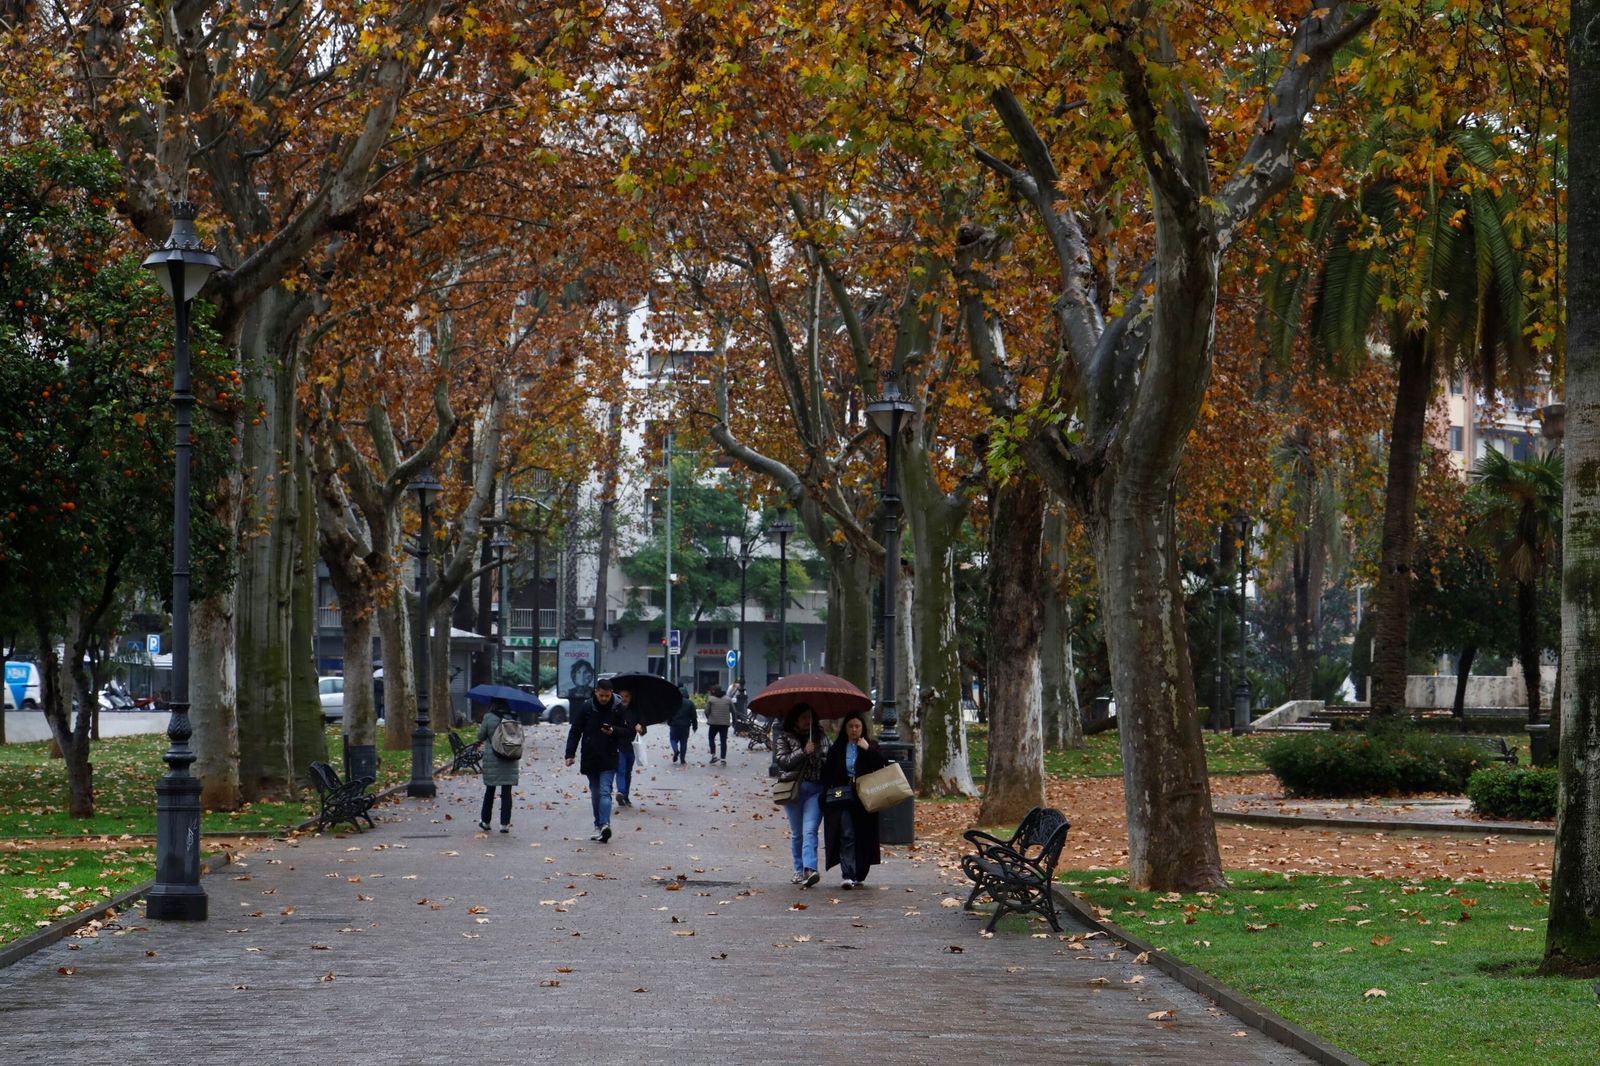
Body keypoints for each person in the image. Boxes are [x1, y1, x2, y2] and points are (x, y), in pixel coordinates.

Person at [819, 710, 887, 888]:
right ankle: (847, 873)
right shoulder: (838, 748)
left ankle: (860, 873)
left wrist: (867, 749)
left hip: (865, 797)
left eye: (857, 726)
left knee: (864, 834)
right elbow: (828, 773)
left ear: (863, 728)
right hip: (844, 797)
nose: (854, 730)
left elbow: (881, 765)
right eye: (850, 726)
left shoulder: (870, 745)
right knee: (846, 833)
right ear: (845, 729)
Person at [564, 678, 627, 842]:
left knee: (605, 791)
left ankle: (605, 825)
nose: (604, 699)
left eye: (607, 695)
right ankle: (598, 825)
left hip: (609, 755)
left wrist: (613, 731)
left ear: (611, 693)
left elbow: (626, 731)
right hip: (591, 755)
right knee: (596, 792)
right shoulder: (586, 707)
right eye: (601, 696)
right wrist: (570, 754)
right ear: (596, 692)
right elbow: (575, 731)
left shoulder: (618, 708)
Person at [773, 702, 828, 888]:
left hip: (815, 790)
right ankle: (798, 869)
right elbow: (782, 762)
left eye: (810, 717)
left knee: (810, 830)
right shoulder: (784, 737)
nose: (808, 721)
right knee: (797, 834)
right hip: (794, 790)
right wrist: (803, 752)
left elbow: (828, 759)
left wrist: (819, 755)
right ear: (795, 719)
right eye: (804, 717)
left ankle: (810, 869)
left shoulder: (820, 736)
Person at [476, 699, 521, 834]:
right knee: (506, 792)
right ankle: (504, 824)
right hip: (510, 757)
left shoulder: (488, 717)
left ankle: (486, 821)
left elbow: (480, 736)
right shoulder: (514, 717)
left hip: (493, 758)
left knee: (490, 791)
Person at [613, 687, 646, 806]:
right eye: (622, 696)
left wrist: (640, 729)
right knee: (620, 770)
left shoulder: (636, 710)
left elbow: (643, 729)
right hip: (619, 746)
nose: (624, 699)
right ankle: (621, 792)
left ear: (631, 697)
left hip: (632, 746)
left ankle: (625, 796)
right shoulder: (615, 710)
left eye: (627, 696)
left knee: (628, 772)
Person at [703, 684, 733, 764]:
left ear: (713, 691)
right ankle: (723, 759)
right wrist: (734, 721)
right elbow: (734, 711)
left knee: (711, 738)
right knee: (723, 741)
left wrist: (709, 718)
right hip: (724, 724)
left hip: (713, 723)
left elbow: (706, 711)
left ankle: (714, 756)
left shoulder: (711, 699)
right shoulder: (728, 699)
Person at [668, 684, 698, 764]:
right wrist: (695, 726)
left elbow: (669, 713)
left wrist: (669, 722)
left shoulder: (673, 702)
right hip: (685, 726)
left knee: (673, 739)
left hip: (675, 725)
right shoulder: (690, 703)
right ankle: (682, 759)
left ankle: (675, 750)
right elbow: (694, 716)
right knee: (683, 742)